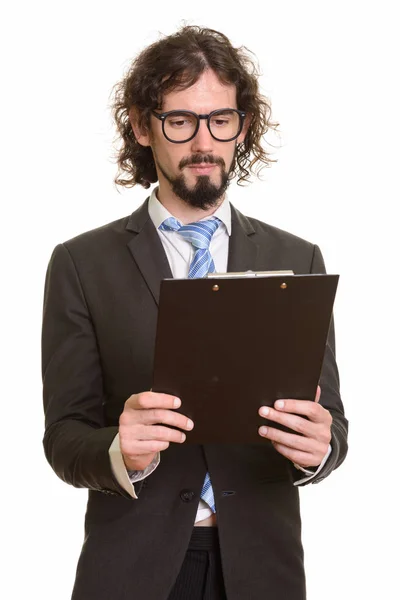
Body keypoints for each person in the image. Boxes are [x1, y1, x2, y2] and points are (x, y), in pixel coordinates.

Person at [41, 25, 348, 600]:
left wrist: (320, 450)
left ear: (242, 127)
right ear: (141, 126)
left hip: (262, 571)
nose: (203, 141)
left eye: (221, 120)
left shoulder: (296, 258)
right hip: (132, 570)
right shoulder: (81, 264)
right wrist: (120, 451)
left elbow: (332, 422)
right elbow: (63, 437)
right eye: (180, 120)